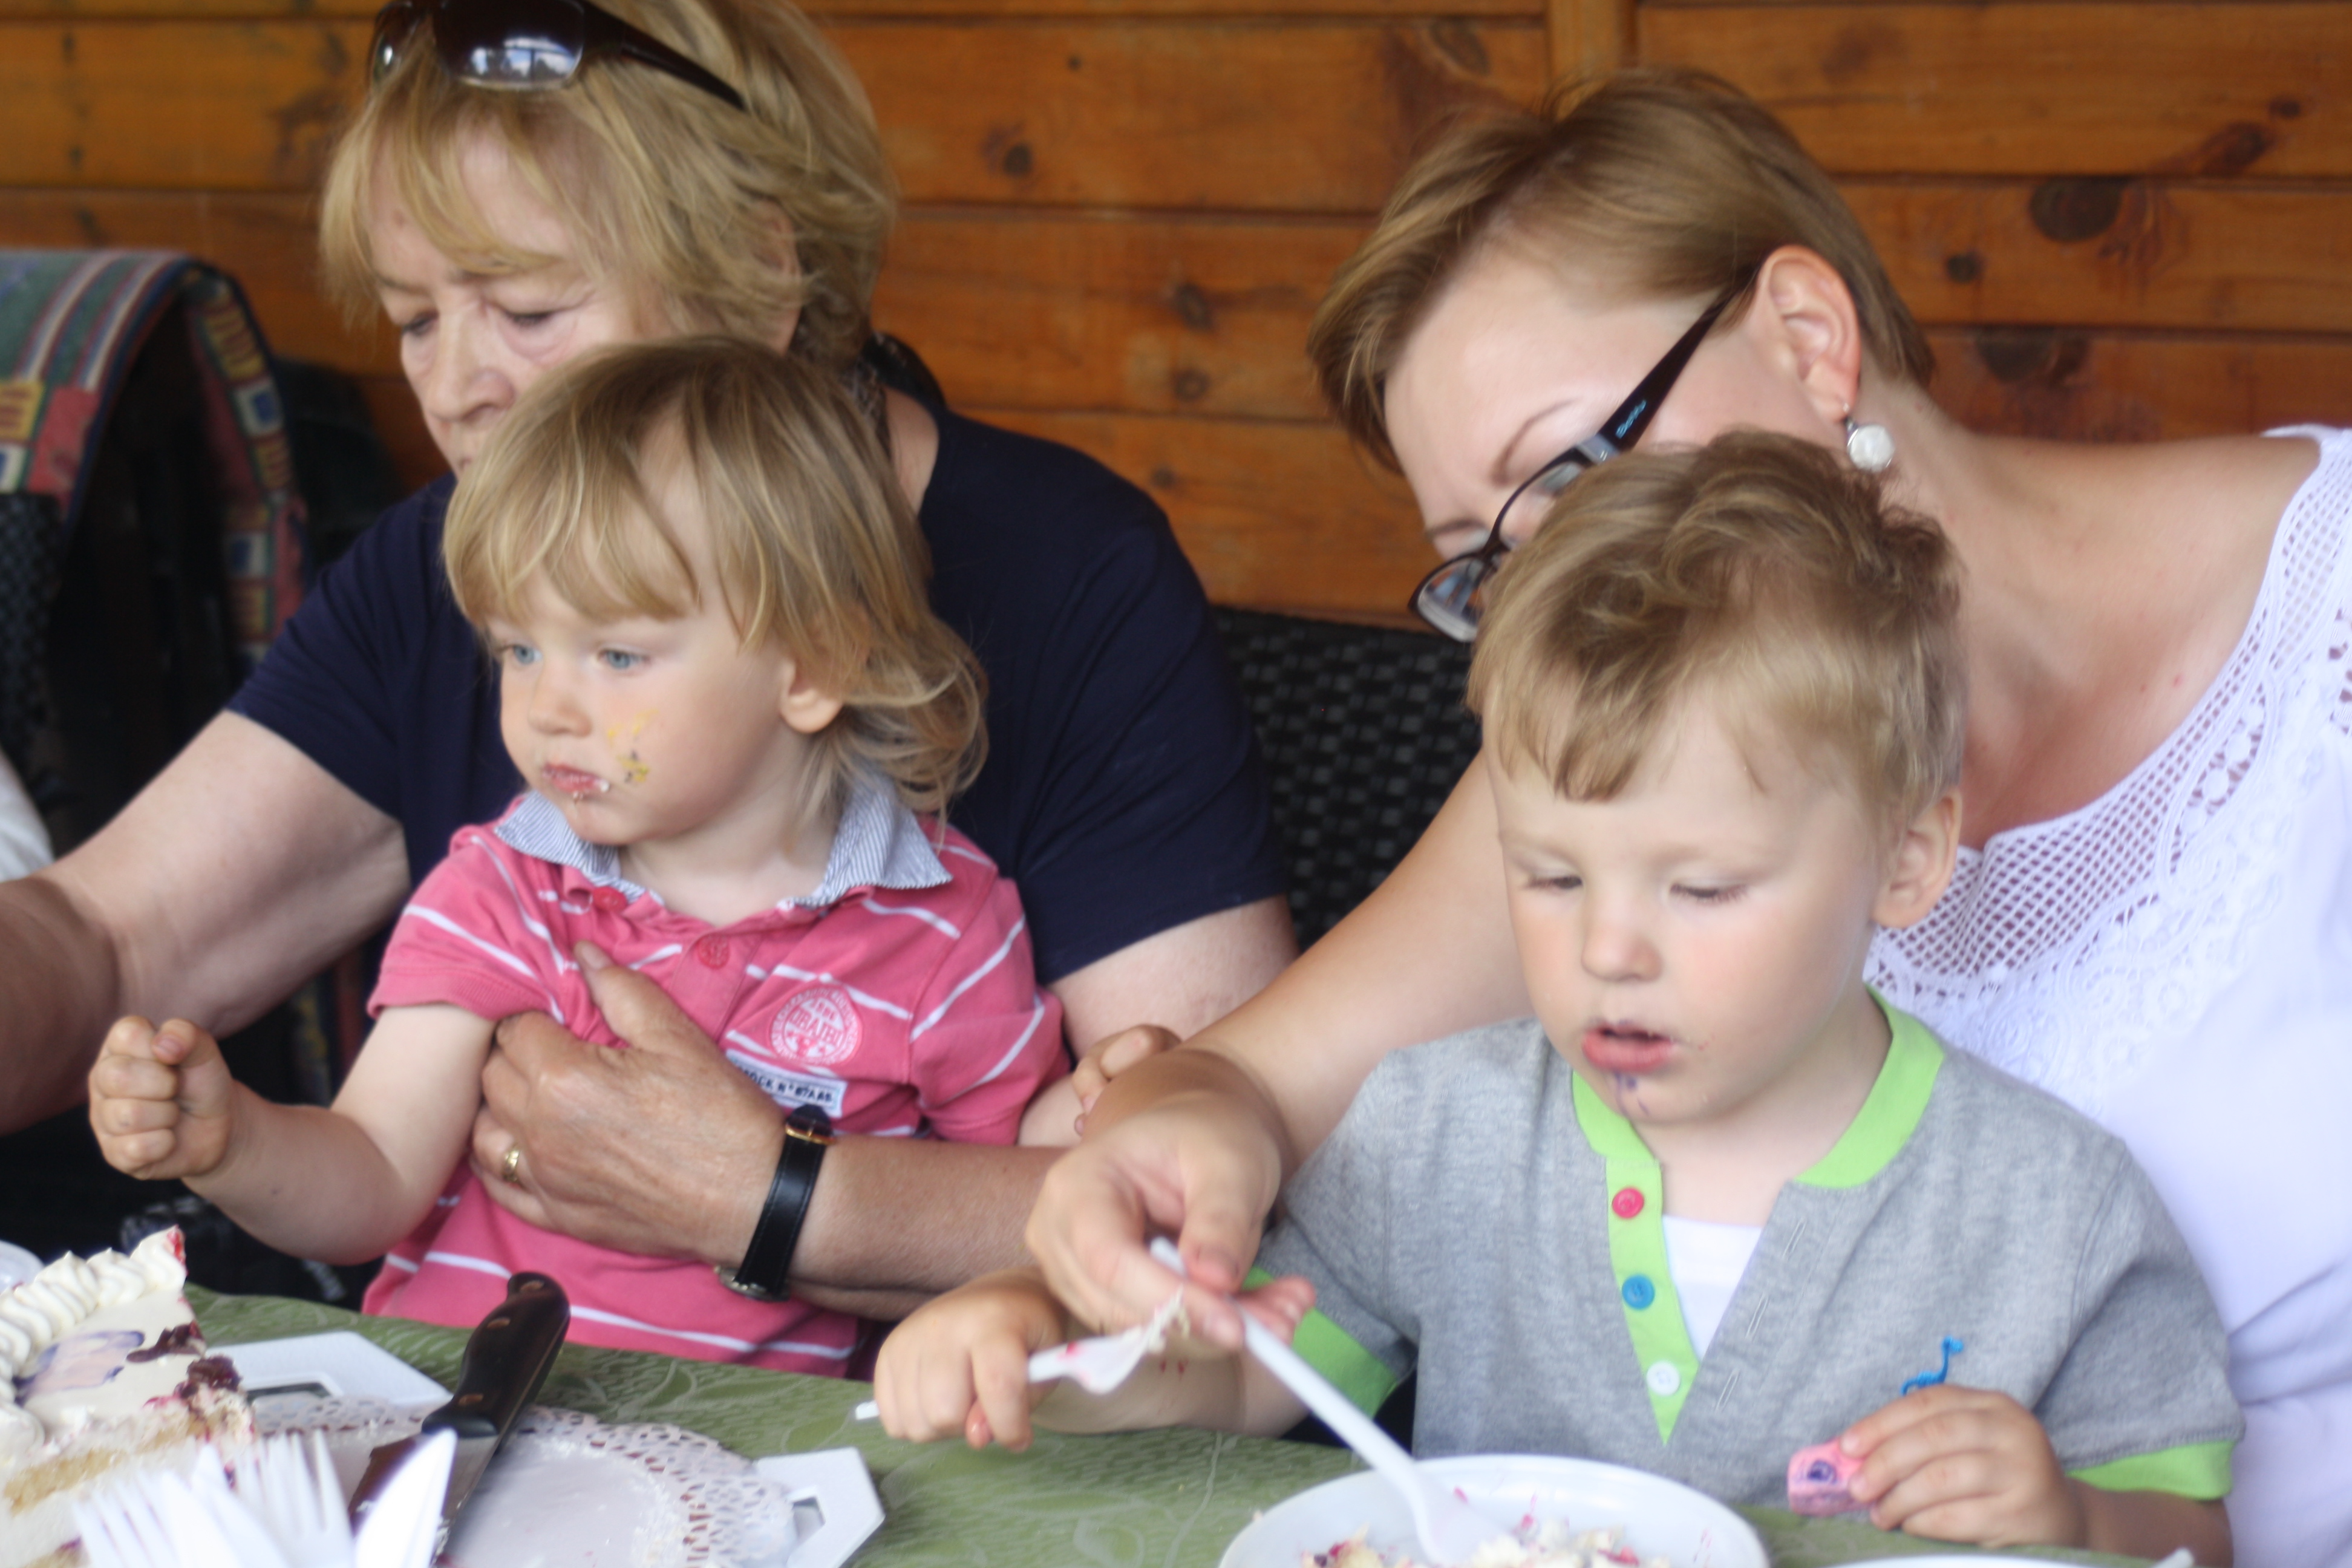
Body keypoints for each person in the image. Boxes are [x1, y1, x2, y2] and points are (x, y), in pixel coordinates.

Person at [1027, 70, 2350, 1566]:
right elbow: (1245, 1089)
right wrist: (1174, 1133)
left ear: (1809, 336)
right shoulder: (1627, 787)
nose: (1559, 574)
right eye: (1484, 563)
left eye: (1573, 468)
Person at [2, 0, 1293, 1318]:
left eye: (527, 306)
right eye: (415, 320)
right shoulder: (447, 571)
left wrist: (761, 1193)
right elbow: (103, 937)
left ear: (759, 275)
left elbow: (1219, 1207)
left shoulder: (1068, 581)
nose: (453, 389)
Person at [885, 435, 2239, 1561]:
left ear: (1907, 858)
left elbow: (2197, 1534)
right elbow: (1249, 1373)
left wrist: (2073, 1517)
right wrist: (1043, 1342)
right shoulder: (1440, 1132)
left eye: (1700, 888)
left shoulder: (2053, 1208)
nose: (1610, 949)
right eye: (1549, 876)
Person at [87, 340, 1077, 1371]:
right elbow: (373, 1176)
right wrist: (234, 1142)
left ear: (813, 665)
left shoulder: (944, 932)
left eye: (615, 654)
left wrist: (1118, 1111)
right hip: (454, 1418)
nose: (547, 707)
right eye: (519, 648)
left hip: (754, 1454)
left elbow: (1017, 1216)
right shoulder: (506, 888)